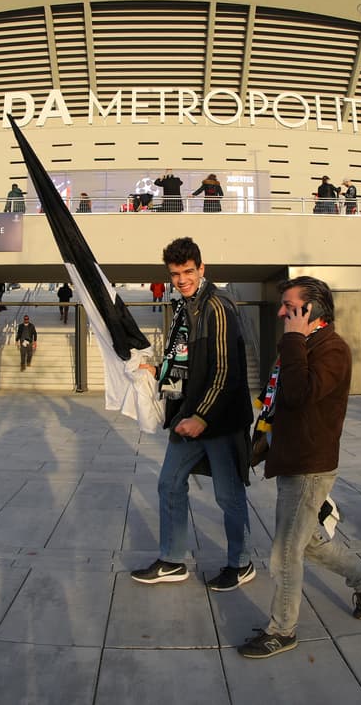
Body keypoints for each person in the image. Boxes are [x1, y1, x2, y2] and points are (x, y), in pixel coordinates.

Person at [237, 276, 361, 659]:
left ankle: (282, 630)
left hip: (309, 464)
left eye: (289, 305)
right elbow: (280, 395)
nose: (282, 311)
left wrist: (293, 340)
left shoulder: (331, 349)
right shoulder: (304, 343)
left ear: (312, 309)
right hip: (292, 457)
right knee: (309, 540)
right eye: (283, 305)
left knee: (285, 552)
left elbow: (301, 393)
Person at [132, 237, 253, 592]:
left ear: (202, 269)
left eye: (188, 272)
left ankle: (241, 563)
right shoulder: (186, 307)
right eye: (175, 273)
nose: (182, 279)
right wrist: (159, 371)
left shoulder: (217, 307)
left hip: (220, 419)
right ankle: (172, 560)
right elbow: (186, 358)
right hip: (191, 416)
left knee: (228, 496)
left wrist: (202, 417)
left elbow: (225, 371)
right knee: (169, 483)